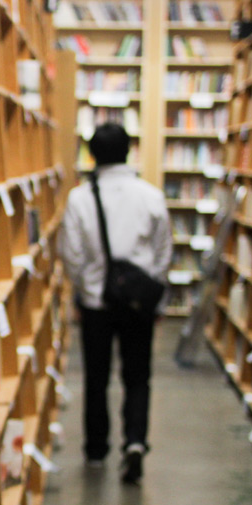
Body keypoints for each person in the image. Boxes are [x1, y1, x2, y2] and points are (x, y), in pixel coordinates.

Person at [58, 122, 173, 484]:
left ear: (92, 155)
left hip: (96, 304)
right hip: (138, 304)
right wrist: (147, 288)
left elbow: (71, 255)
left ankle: (96, 450)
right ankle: (135, 442)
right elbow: (163, 252)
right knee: (138, 376)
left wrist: (87, 286)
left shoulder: (80, 197)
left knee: (97, 377)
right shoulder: (151, 195)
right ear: (128, 151)